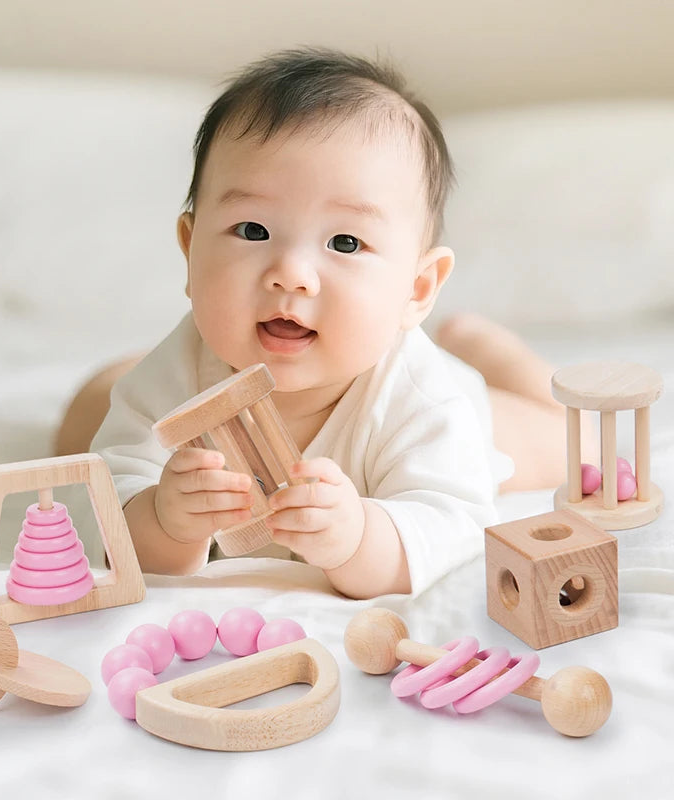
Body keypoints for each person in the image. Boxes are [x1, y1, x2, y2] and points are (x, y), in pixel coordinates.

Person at [56, 48, 583, 599]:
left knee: (576, 442)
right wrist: (163, 522)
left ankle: (489, 349)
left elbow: (450, 528)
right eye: (253, 231)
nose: (291, 275)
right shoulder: (175, 376)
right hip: (156, 379)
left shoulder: (424, 401)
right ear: (190, 252)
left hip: (469, 410)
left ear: (418, 288)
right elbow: (104, 517)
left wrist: (358, 541)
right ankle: (110, 378)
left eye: (345, 242)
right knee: (82, 426)